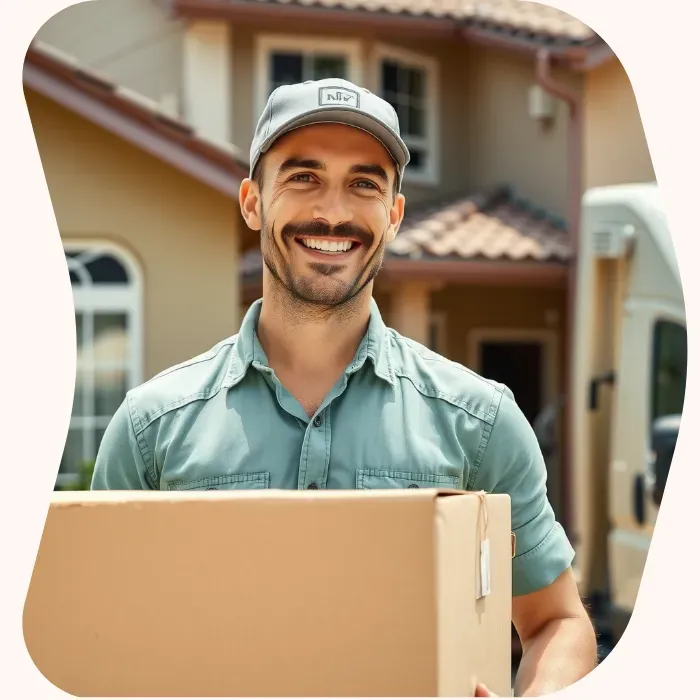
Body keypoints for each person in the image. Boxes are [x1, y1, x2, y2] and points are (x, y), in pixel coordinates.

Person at [91, 78, 597, 696]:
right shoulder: (152, 428)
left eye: (364, 184)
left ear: (393, 214)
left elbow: (556, 622)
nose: (332, 212)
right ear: (253, 202)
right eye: (303, 178)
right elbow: (102, 639)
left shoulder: (480, 421)